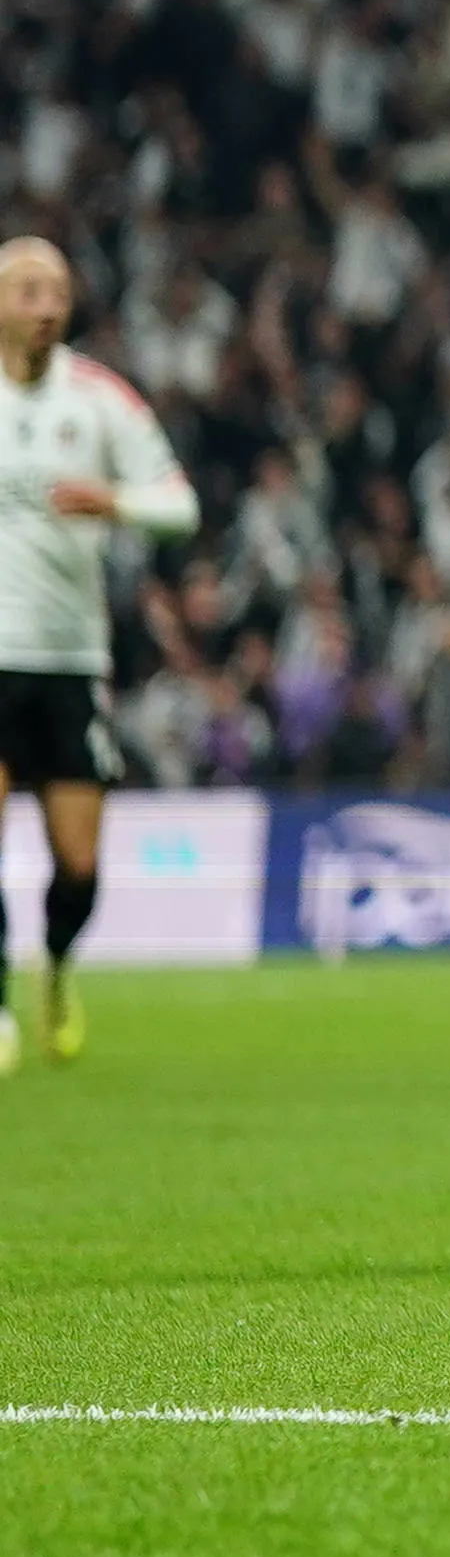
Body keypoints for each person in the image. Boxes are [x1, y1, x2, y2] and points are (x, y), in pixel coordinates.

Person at [0, 237, 198, 1073]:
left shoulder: (100, 398)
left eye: (59, 291)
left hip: (71, 658)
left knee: (78, 865)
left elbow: (180, 506)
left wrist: (113, 503)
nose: (48, 305)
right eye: (29, 289)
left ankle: (58, 964)